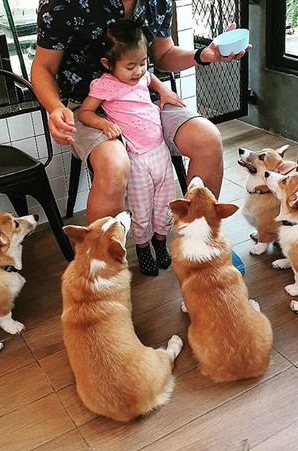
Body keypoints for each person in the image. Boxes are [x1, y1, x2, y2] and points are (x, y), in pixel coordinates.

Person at [31, 0, 250, 272]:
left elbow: (163, 54)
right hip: (87, 106)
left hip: (143, 99)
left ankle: (201, 244)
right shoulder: (63, 4)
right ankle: (101, 270)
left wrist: (203, 55)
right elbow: (43, 67)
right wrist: (55, 108)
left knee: (208, 138)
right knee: (114, 164)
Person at [78, 20, 183, 276]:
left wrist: (163, 91)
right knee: (141, 210)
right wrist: (103, 124)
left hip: (160, 151)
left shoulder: (142, 75)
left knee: (165, 205)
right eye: (130, 66)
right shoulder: (104, 85)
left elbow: (150, 77)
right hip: (136, 159)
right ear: (108, 64)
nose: (138, 71)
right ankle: (143, 248)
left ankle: (160, 242)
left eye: (143, 62)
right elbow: (84, 113)